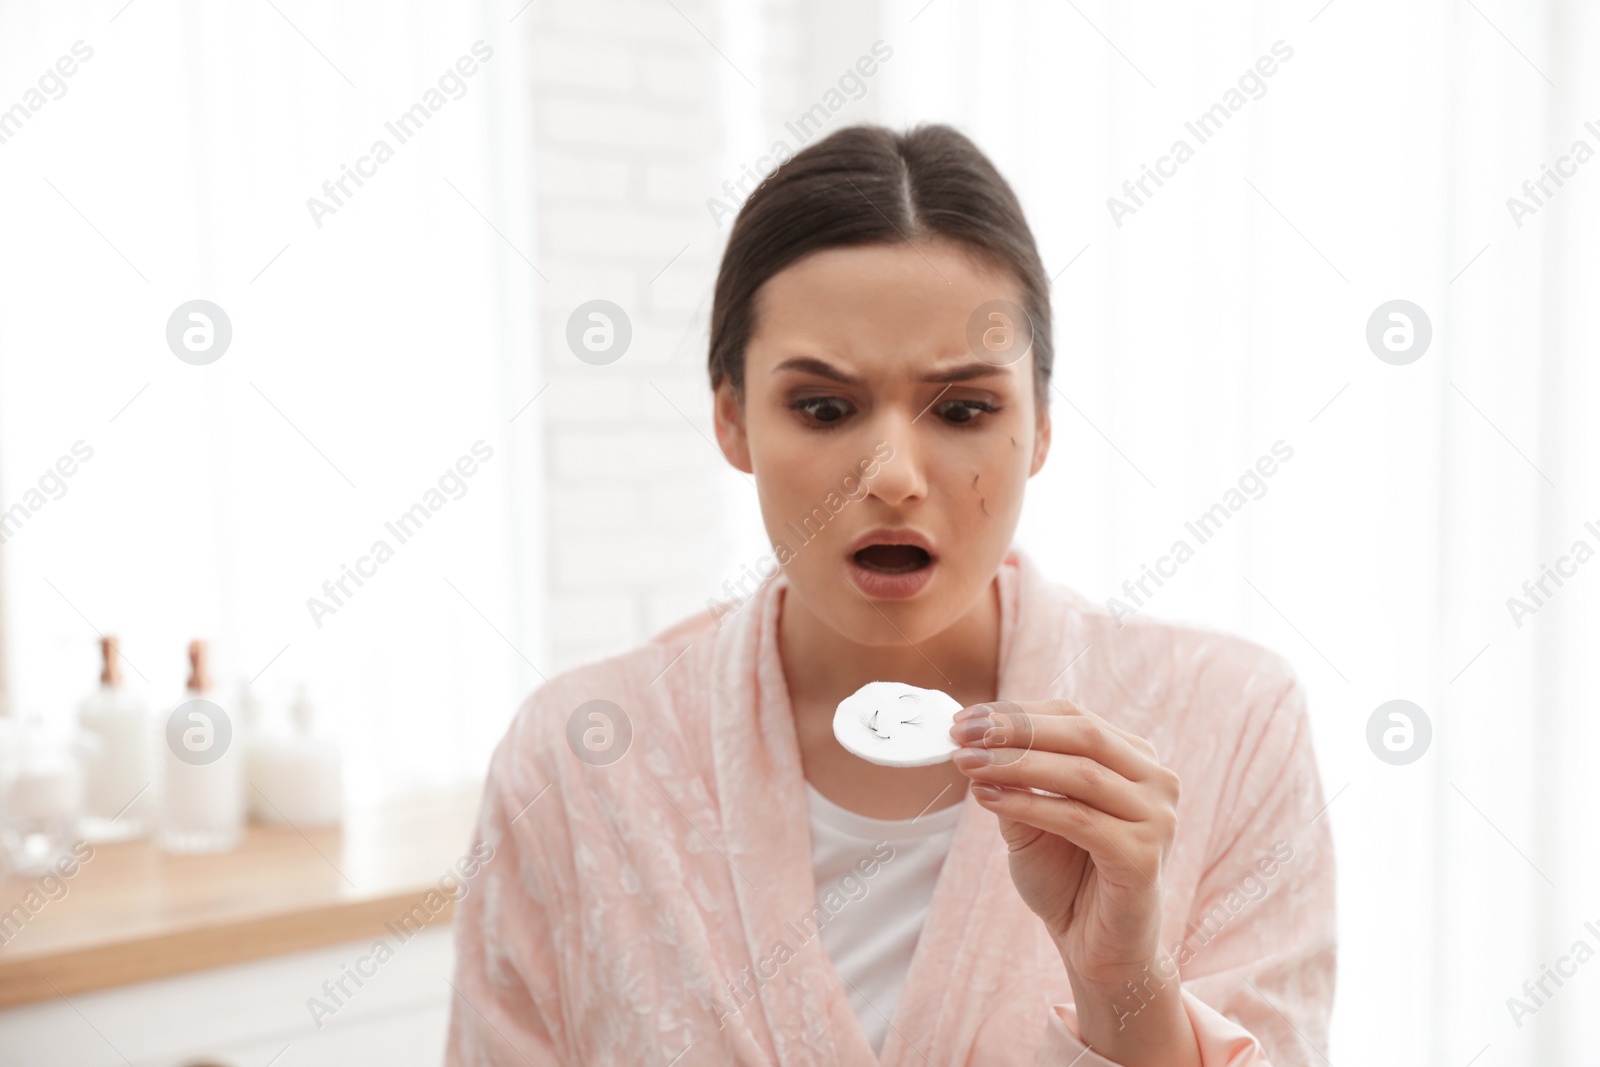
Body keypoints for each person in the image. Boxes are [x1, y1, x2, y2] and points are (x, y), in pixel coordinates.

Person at [444, 122, 1336, 1066]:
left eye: (962, 410)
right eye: (824, 407)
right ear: (731, 417)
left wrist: (1127, 987)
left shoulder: (1233, 721)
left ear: (1038, 429)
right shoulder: (578, 761)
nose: (894, 475)